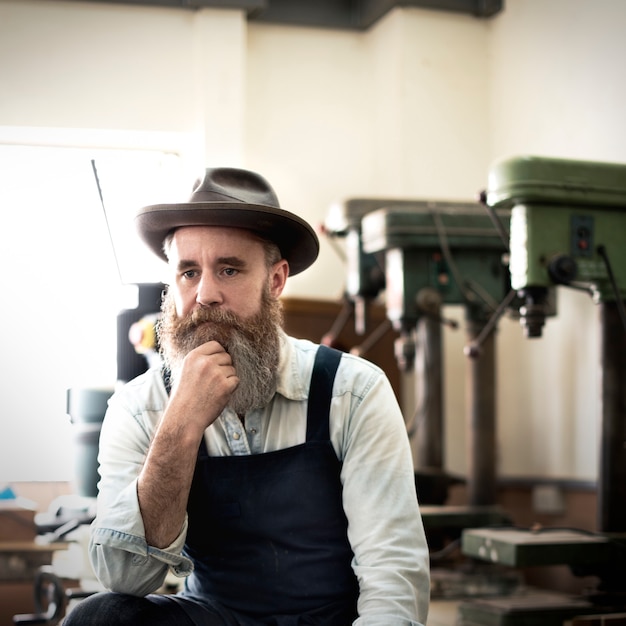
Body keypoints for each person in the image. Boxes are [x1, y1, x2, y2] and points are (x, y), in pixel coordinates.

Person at [63, 167, 430, 626]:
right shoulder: (140, 407)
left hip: (336, 619)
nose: (205, 295)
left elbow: (393, 578)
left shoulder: (354, 392)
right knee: (101, 618)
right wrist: (180, 425)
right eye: (188, 272)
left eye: (229, 269)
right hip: (214, 617)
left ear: (275, 280)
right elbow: (125, 576)